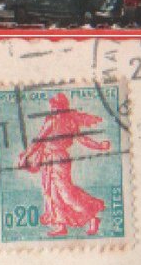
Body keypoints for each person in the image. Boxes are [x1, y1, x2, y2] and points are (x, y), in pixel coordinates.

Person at [17, 92, 112, 236]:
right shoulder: (58, 120)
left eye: (54, 106)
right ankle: (60, 225)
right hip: (52, 159)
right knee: (53, 193)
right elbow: (39, 141)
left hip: (58, 159)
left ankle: (92, 218)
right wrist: (26, 154)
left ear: (59, 106)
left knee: (66, 193)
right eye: (53, 106)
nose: (53, 109)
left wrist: (99, 146)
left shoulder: (60, 121)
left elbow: (81, 139)